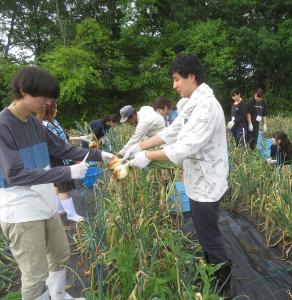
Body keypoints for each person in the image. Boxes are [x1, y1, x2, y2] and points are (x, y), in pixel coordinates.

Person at [0, 66, 115, 300]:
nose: (48, 103)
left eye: (51, 97)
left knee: (60, 254)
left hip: (45, 204)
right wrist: (67, 172)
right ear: (23, 91)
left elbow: (63, 148)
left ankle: (60, 296)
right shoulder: (3, 126)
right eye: (44, 97)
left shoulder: (33, 123)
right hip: (21, 211)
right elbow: (16, 175)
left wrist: (102, 156)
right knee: (34, 273)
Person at [125, 54, 232, 294]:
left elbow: (185, 147)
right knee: (204, 233)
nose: (174, 86)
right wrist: (139, 146)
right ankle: (213, 273)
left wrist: (148, 157)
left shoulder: (207, 106)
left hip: (208, 183)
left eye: (176, 79)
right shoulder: (192, 105)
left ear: (191, 77)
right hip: (198, 179)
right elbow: (171, 133)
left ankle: (224, 285)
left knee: (209, 236)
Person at [36, 99, 87, 222]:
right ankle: (71, 214)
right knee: (63, 186)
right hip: (55, 159)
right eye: (55, 108)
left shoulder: (53, 121)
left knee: (57, 186)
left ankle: (60, 209)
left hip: (60, 156)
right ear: (48, 109)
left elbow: (65, 137)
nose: (57, 110)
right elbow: (56, 146)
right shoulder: (45, 125)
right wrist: (74, 156)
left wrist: (80, 137)